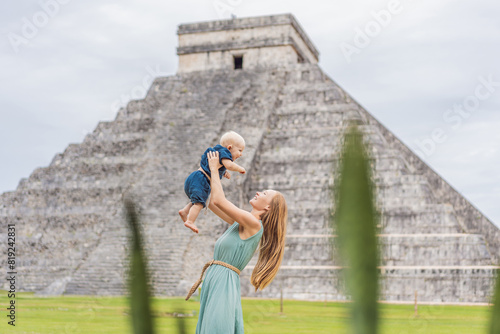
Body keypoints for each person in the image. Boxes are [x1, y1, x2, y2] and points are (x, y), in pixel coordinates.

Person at [190, 150, 288, 334]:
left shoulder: (253, 224)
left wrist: (213, 166)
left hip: (223, 282)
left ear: (268, 207)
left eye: (264, 193)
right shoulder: (240, 222)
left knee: (217, 328)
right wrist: (211, 173)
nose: (258, 192)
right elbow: (211, 203)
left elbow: (219, 200)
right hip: (216, 279)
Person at [179, 131, 246, 233]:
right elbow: (229, 165)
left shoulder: (217, 152)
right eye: (240, 150)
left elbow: (219, 166)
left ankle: (185, 211)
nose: (241, 154)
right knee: (199, 204)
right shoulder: (225, 153)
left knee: (199, 198)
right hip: (201, 179)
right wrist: (240, 168)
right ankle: (190, 221)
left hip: (194, 177)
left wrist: (224, 172)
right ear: (229, 147)